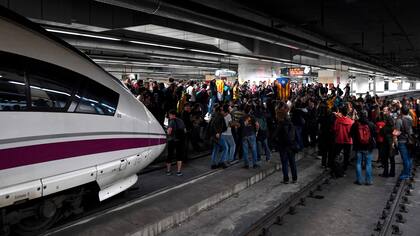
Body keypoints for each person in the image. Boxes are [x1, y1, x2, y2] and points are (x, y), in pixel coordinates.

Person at [350, 110, 376, 185]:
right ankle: (368, 181)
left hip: (358, 147)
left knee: (358, 163)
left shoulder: (355, 124)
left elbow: (351, 134)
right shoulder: (371, 124)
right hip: (368, 147)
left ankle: (359, 180)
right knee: (368, 164)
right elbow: (375, 134)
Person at [275, 103, 298, 184]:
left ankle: (286, 179)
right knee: (292, 163)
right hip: (291, 145)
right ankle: (294, 178)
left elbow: (275, 136)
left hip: (283, 146)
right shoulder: (290, 124)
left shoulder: (280, 125)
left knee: (284, 163)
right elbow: (294, 135)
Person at [333, 106, 354, 176]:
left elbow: (335, 130)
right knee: (346, 156)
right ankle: (344, 169)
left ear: (341, 112)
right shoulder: (351, 122)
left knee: (337, 155)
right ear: (347, 112)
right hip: (348, 141)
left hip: (339, 140)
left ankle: (337, 169)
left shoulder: (337, 120)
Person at [395, 106, 413, 180]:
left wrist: (394, 140)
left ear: (401, 111)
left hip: (402, 141)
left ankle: (406, 174)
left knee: (405, 158)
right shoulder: (410, 118)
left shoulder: (399, 120)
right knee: (408, 157)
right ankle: (408, 172)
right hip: (409, 140)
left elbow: (397, 132)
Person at [166, 110, 186, 176]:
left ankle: (168, 171)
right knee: (179, 156)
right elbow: (185, 131)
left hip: (172, 141)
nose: (169, 116)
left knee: (170, 155)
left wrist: (167, 130)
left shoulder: (171, 122)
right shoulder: (181, 121)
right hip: (180, 141)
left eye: (170, 115)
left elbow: (169, 132)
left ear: (173, 115)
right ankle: (179, 172)